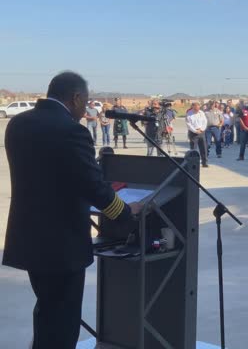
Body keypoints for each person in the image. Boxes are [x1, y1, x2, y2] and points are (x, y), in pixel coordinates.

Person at [3, 72, 143, 348]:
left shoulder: (19, 124)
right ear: (76, 97)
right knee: (63, 324)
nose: (84, 110)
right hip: (61, 244)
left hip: (30, 239)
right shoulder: (70, 130)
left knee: (47, 312)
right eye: (85, 102)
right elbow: (92, 184)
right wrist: (125, 212)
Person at [186, 102, 209, 167]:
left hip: (201, 132)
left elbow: (205, 122)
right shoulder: (189, 114)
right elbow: (189, 124)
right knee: (193, 149)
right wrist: (195, 131)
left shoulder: (202, 113)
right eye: (195, 107)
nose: (197, 109)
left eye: (198, 107)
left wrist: (201, 129)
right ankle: (193, 163)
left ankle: (204, 163)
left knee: (204, 148)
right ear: (192, 107)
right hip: (193, 133)